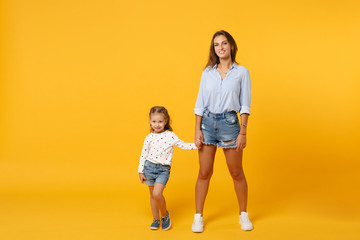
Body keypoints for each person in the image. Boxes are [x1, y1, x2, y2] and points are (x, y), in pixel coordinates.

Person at [192, 30, 253, 232]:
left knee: (236, 172)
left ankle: (243, 215)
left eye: (224, 43)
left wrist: (243, 131)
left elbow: (245, 105)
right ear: (214, 49)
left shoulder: (242, 72)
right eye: (217, 44)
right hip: (207, 123)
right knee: (204, 172)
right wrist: (197, 130)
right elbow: (199, 103)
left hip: (230, 123)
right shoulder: (207, 72)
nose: (221, 47)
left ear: (232, 46)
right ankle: (198, 217)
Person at [138, 106, 197, 231]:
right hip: (149, 168)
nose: (157, 124)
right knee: (152, 195)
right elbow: (143, 154)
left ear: (165, 121)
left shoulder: (170, 136)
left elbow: (184, 145)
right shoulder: (149, 137)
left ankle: (164, 215)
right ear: (150, 121)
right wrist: (140, 171)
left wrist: (197, 145)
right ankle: (156, 219)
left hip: (163, 170)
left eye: (160, 121)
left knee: (157, 193)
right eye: (154, 121)